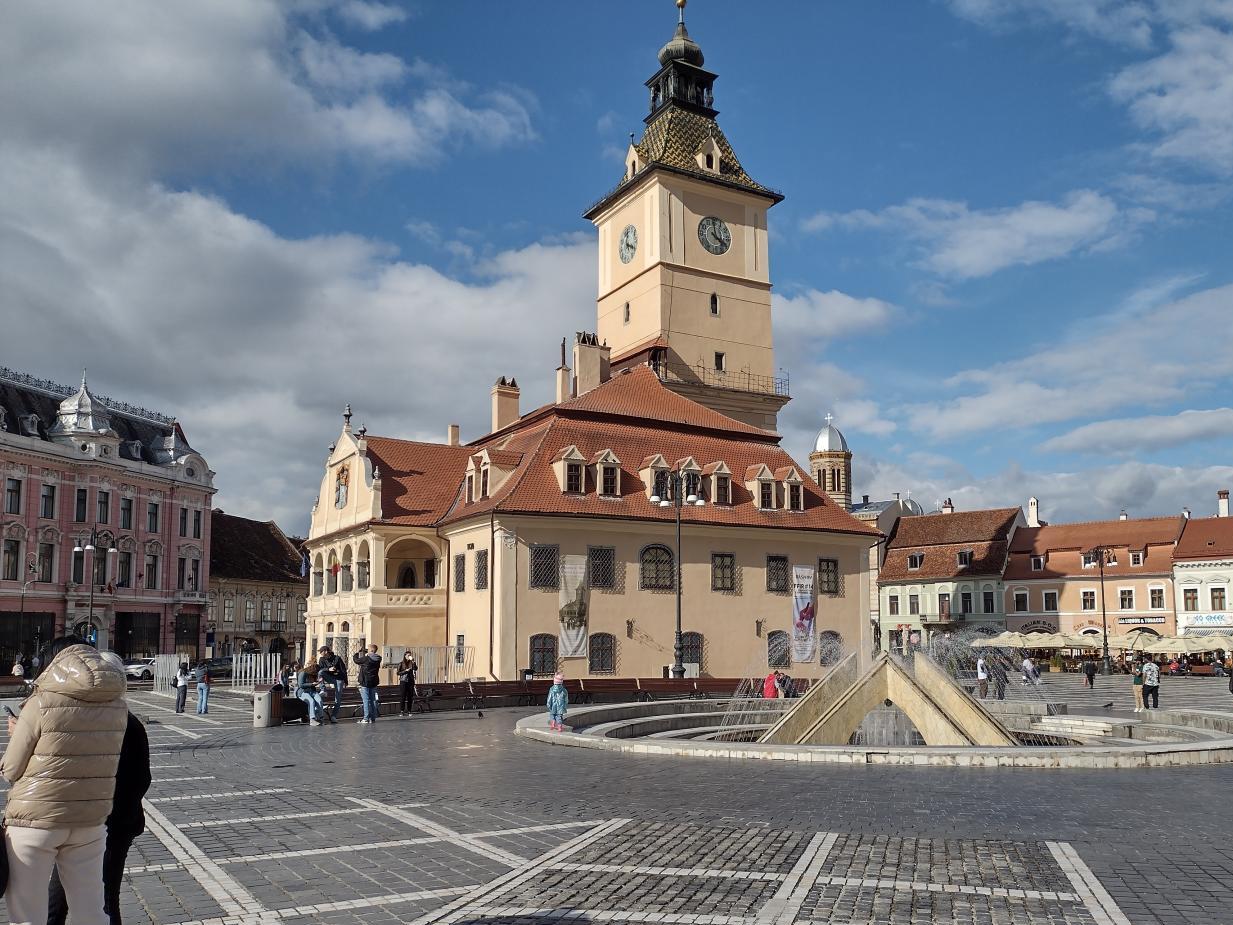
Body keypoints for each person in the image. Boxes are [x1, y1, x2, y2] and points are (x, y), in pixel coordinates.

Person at [2, 640, 128, 925]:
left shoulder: (41, 701)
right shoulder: (118, 705)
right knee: (91, 912)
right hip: (90, 820)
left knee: (27, 916)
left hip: (35, 820)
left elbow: (11, 768)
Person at [48, 651, 152, 925]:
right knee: (102, 900)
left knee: (66, 901)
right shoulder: (129, 722)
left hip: (91, 825)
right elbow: (142, 780)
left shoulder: (82, 720)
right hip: (109, 825)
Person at [353, 644, 382, 724]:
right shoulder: (379, 659)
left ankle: (365, 718)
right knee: (373, 700)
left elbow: (356, 660)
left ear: (371, 650)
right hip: (374, 681)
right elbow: (371, 655)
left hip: (365, 682)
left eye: (368, 649)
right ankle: (372, 718)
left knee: (365, 700)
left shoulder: (366, 659)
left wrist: (357, 653)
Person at [317, 646, 347, 721]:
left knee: (338, 698)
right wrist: (328, 669)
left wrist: (346, 681)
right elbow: (320, 669)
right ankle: (323, 689)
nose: (320, 653)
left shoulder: (337, 658)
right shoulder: (322, 659)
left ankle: (334, 716)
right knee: (320, 672)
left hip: (339, 678)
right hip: (329, 677)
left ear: (326, 651)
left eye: (321, 652)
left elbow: (343, 670)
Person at [296, 661, 327, 725]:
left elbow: (313, 683)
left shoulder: (313, 674)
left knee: (319, 700)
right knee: (311, 701)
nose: (316, 673)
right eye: (315, 672)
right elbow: (301, 685)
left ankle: (321, 718)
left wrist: (318, 682)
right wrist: (311, 684)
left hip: (312, 691)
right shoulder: (303, 673)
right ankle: (312, 720)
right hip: (303, 692)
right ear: (312, 670)